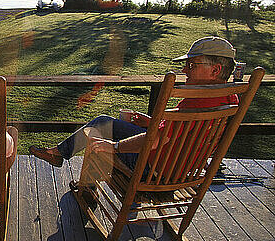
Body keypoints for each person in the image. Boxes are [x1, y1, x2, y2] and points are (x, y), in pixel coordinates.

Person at [29, 36, 239, 193]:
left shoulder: (197, 101)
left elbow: (156, 139)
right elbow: (181, 132)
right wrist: (151, 122)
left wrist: (115, 146)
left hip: (153, 170)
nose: (185, 70)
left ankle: (85, 186)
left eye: (192, 65)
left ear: (215, 70)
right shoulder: (229, 100)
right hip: (181, 170)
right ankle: (60, 155)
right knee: (103, 122)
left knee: (97, 133)